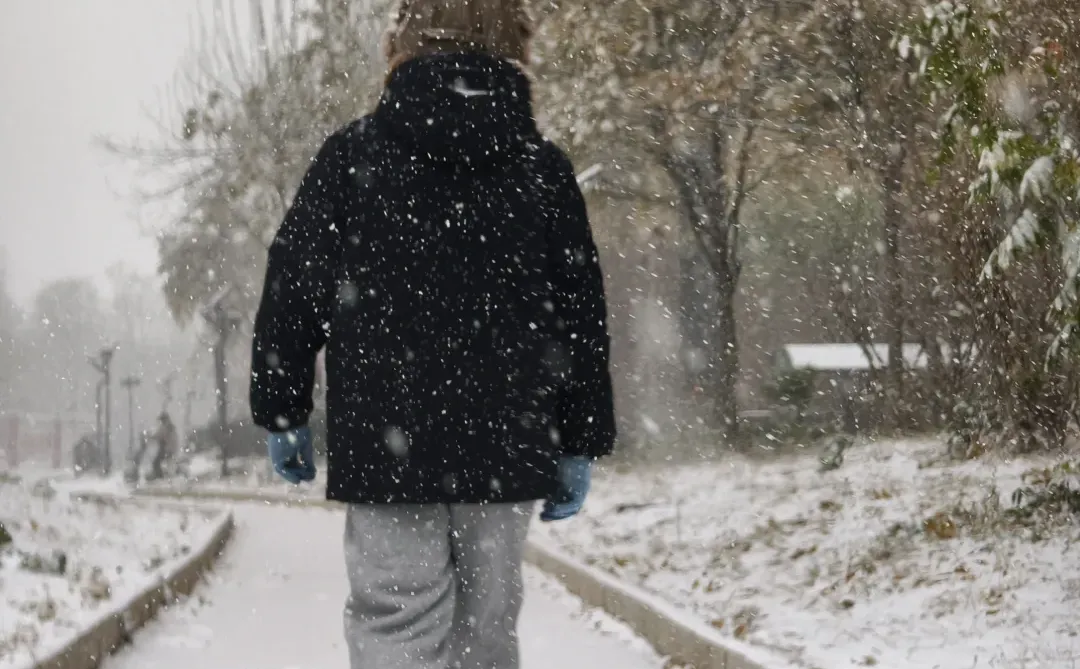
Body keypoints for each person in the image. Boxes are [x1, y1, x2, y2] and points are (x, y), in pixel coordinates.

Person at [249, 1, 616, 668]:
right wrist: (580, 436)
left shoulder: (350, 158)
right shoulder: (542, 171)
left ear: (402, 46)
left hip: (389, 446)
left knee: (394, 620)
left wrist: (283, 408)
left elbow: (293, 286)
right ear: (516, 52)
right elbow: (580, 315)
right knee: (488, 625)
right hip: (507, 442)